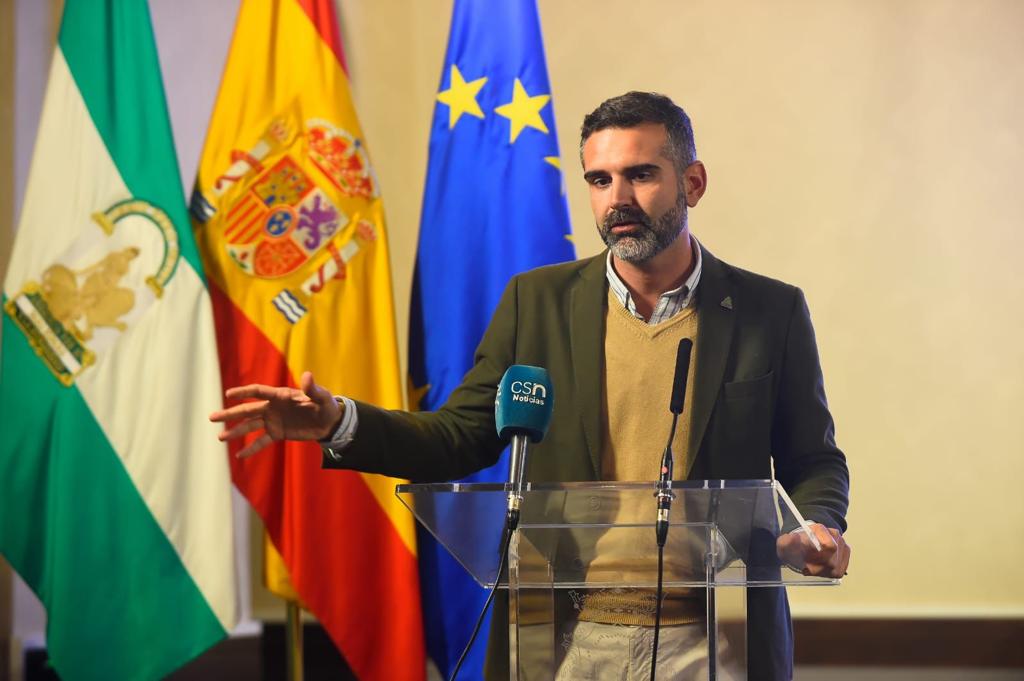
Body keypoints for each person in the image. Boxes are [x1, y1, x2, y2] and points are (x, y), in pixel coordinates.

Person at [211, 91, 851, 680]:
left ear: (692, 182)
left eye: (640, 174)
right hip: (562, 638)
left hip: (713, 636)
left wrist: (819, 526)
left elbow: (813, 459)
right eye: (599, 180)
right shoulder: (536, 303)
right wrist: (339, 422)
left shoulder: (771, 312)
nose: (616, 198)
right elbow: (459, 436)